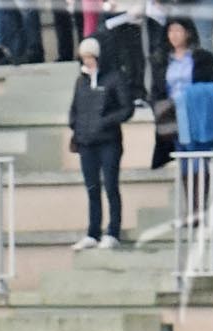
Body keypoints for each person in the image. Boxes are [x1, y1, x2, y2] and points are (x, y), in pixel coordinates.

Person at [151, 17, 213, 224]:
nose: (174, 35)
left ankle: (199, 208)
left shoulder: (202, 57)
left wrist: (193, 94)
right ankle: (191, 208)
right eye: (171, 31)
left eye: (178, 30)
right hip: (173, 115)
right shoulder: (161, 60)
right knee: (184, 161)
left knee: (200, 159)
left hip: (198, 114)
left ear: (188, 33)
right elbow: (156, 90)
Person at [69, 37, 134, 249]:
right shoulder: (81, 81)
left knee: (111, 185)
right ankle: (93, 232)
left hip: (108, 141)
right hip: (86, 142)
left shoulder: (114, 78)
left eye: (90, 57)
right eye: (84, 58)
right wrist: (76, 127)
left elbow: (127, 108)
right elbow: (75, 108)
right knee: (92, 188)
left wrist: (104, 122)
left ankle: (113, 230)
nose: (87, 61)